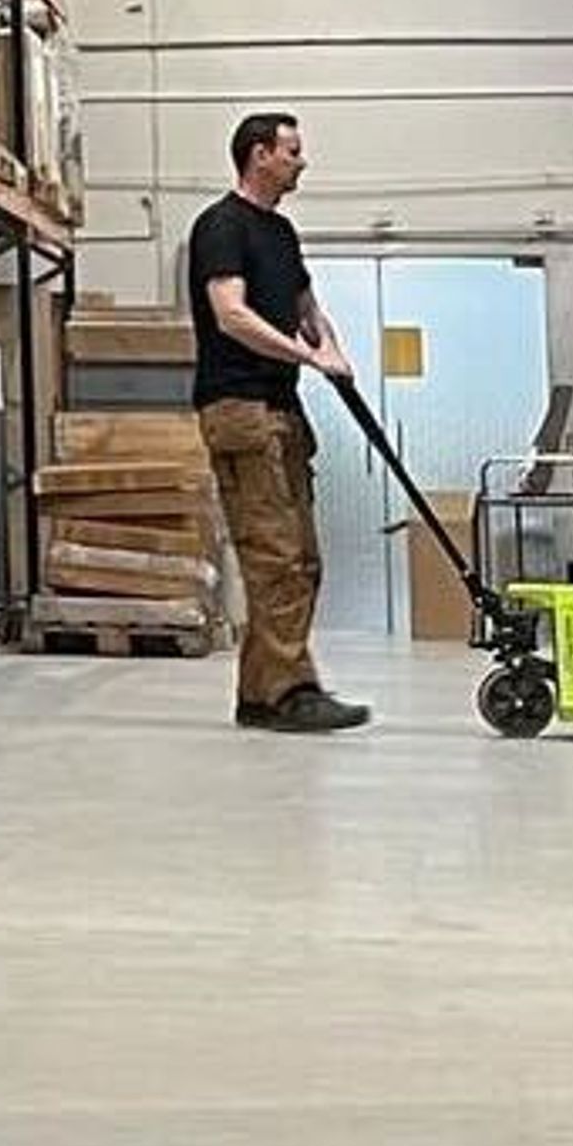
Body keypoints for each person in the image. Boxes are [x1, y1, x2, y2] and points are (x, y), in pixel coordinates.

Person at [186, 112, 371, 735]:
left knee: (304, 560)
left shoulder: (281, 232)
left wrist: (331, 348)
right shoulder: (221, 226)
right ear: (259, 154)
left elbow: (306, 308)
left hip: (282, 408)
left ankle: (262, 693)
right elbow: (231, 315)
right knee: (276, 558)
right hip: (239, 409)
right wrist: (308, 357)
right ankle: (289, 691)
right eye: (292, 151)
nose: (302, 161)